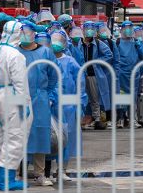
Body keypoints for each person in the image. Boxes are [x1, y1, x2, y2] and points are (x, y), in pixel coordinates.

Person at [0, 21, 30, 191]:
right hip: (11, 96)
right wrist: (23, 104)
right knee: (14, 138)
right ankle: (8, 180)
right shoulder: (16, 55)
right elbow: (20, 83)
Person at [16, 21, 59, 187]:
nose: (25, 34)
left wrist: (48, 94)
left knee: (40, 134)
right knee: (18, 134)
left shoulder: (46, 52)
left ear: (34, 33)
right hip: (19, 97)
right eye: (22, 31)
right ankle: (17, 172)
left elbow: (53, 75)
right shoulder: (15, 52)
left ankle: (40, 173)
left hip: (40, 98)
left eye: (28, 31)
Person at [49, 31, 86, 182]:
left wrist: (81, 105)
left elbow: (81, 85)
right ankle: (48, 170)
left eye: (59, 41)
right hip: (52, 105)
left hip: (69, 107)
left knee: (67, 139)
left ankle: (62, 169)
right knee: (51, 138)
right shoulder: (48, 60)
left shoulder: (71, 62)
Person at [81, 21, 113, 130]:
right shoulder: (79, 43)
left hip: (93, 75)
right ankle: (84, 119)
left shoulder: (99, 44)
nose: (89, 31)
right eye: (87, 29)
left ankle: (97, 119)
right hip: (81, 75)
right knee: (83, 97)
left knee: (95, 98)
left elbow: (109, 55)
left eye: (91, 29)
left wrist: (97, 62)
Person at [114, 21, 143, 129]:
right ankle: (121, 118)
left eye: (130, 27)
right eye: (125, 27)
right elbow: (115, 58)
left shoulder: (135, 42)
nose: (128, 30)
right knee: (122, 96)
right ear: (121, 29)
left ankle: (132, 119)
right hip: (122, 73)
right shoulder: (117, 42)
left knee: (133, 96)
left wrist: (139, 47)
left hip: (134, 73)